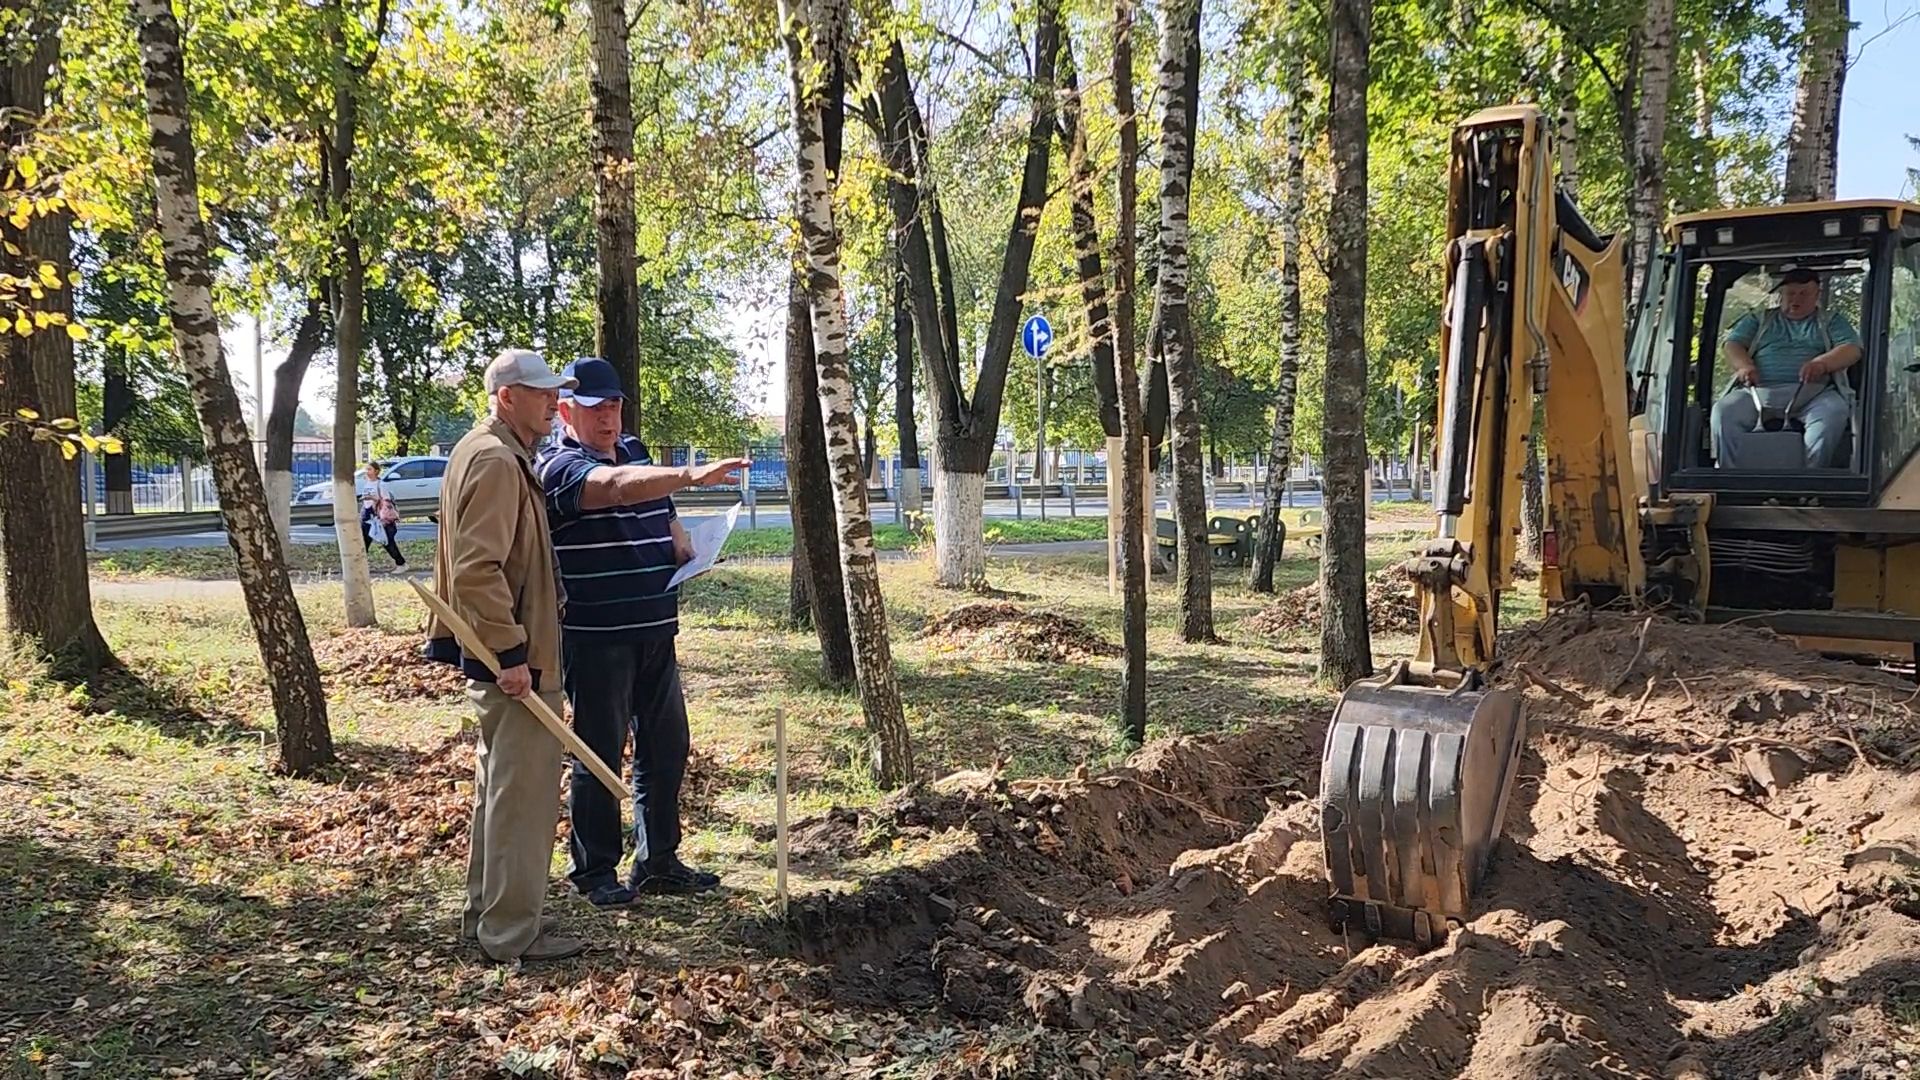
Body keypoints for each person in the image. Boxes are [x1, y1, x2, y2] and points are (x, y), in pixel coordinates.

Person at [533, 356, 747, 907]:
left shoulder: (632, 448)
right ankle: (594, 872)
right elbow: (617, 489)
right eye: (594, 408)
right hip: (598, 635)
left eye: (614, 405)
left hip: (656, 626)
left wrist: (685, 545)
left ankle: (657, 861)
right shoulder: (557, 465)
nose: (608, 418)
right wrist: (692, 474)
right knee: (599, 753)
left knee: (666, 746)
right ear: (564, 412)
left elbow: (660, 512)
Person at [423, 348, 584, 963]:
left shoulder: (489, 450)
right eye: (542, 393)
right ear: (506, 397)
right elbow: (475, 568)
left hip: (505, 656)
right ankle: (511, 933)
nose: (553, 403)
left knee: (500, 791)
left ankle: (484, 921)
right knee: (522, 800)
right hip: (516, 661)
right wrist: (512, 652)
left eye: (555, 393)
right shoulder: (495, 460)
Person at [1711, 267, 1863, 468]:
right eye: (1791, 293)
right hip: (1757, 393)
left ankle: (1809, 480)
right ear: (1781, 294)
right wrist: (1744, 366)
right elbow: (1733, 344)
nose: (1795, 299)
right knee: (1724, 412)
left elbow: (1852, 349)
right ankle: (1730, 475)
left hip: (1813, 394)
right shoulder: (1760, 320)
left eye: (1803, 294)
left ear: (1817, 295)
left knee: (1834, 412)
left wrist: (1821, 364)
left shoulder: (1831, 321)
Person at [358, 461, 406, 570]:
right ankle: (360, 568)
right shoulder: (367, 483)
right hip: (367, 515)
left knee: (387, 541)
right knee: (364, 542)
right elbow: (366, 501)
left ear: (376, 471)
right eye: (366, 469)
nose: (367, 472)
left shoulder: (381, 484)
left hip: (379, 516)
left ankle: (401, 564)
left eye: (370, 469)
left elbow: (386, 500)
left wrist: (373, 499)